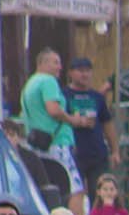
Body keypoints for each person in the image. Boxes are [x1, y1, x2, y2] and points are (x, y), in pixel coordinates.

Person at [18, 48, 85, 198]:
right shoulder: (48, 81)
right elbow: (53, 110)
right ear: (43, 63)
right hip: (57, 142)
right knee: (75, 189)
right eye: (56, 63)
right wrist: (72, 119)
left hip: (38, 143)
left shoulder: (29, 84)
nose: (60, 67)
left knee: (48, 188)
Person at [65, 58, 113, 192]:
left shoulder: (97, 97)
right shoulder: (63, 95)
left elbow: (107, 123)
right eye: (80, 71)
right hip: (73, 152)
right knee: (75, 192)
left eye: (87, 71)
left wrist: (115, 150)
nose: (84, 75)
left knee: (100, 192)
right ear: (71, 73)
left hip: (97, 153)